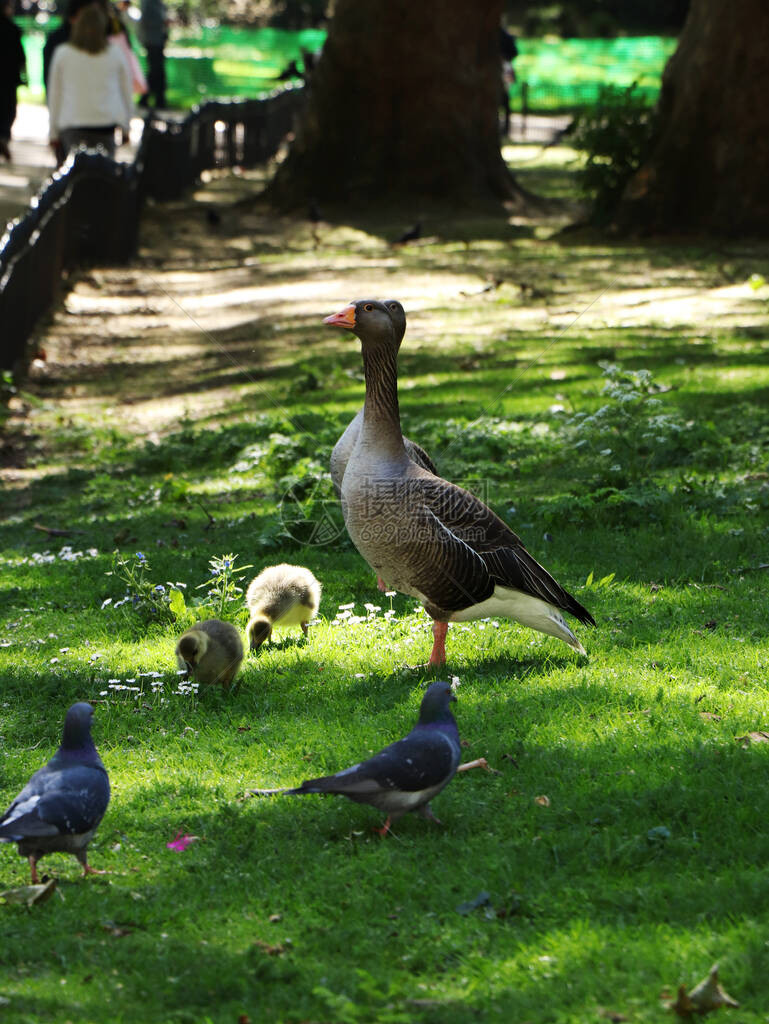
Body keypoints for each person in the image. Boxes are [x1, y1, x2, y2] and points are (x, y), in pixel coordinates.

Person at [47, 2, 134, 161]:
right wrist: (126, 127)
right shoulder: (116, 54)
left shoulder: (63, 54)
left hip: (71, 126)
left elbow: (55, 95)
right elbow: (126, 92)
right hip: (105, 126)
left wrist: (53, 132)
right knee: (102, 176)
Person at [0, 0, 26, 161]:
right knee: (8, 109)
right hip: (9, 78)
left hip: (8, 76)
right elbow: (20, 56)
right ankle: (3, 136)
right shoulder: (12, 29)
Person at [138, 0, 168, 109]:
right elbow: (146, 20)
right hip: (152, 41)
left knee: (157, 71)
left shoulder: (158, 3)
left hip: (158, 41)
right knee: (155, 71)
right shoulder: (148, 3)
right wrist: (162, 22)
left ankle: (157, 100)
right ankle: (148, 99)